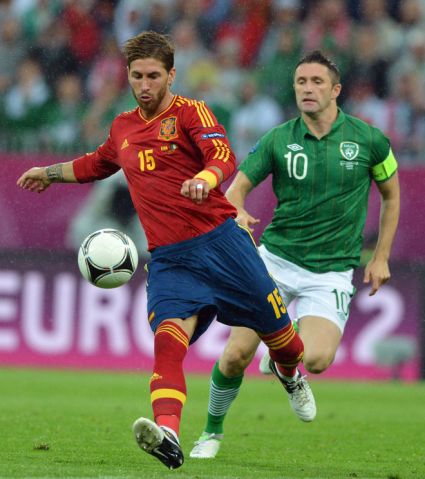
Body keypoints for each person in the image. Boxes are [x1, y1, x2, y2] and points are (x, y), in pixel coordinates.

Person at [17, 31, 313, 471]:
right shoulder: (123, 126)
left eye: (153, 76)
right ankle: (169, 434)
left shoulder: (191, 112)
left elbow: (222, 156)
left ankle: (289, 375)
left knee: (286, 343)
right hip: (171, 259)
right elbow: (97, 163)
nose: (144, 85)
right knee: (168, 341)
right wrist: (50, 172)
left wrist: (205, 180)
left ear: (171, 75)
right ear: (128, 75)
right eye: (137, 76)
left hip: (222, 244)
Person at [190, 50, 400, 459]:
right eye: (301, 81)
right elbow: (235, 191)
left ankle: (285, 366)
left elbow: (391, 196)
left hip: (331, 271)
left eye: (317, 82)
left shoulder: (369, 140)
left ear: (336, 90)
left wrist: (381, 257)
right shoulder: (278, 139)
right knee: (235, 356)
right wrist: (236, 211)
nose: (307, 88)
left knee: (316, 360)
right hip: (274, 262)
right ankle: (210, 433)